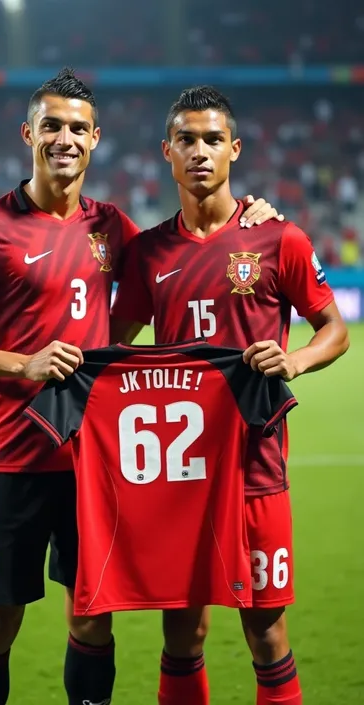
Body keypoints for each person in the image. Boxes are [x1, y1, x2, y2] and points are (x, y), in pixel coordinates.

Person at [0, 68, 283, 705]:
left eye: (78, 128)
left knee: (92, 614)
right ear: (29, 133)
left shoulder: (112, 229)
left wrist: (252, 214)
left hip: (94, 462)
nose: (65, 138)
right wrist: (20, 363)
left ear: (95, 140)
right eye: (53, 126)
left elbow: (184, 252)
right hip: (15, 457)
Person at [111, 86, 350, 705]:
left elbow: (335, 329)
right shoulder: (147, 253)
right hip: (180, 477)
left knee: (267, 633)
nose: (199, 152)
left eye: (213, 140)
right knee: (182, 632)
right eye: (186, 140)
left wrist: (293, 360)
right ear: (167, 152)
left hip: (255, 468)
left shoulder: (279, 239)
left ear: (235, 150)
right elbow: (110, 349)